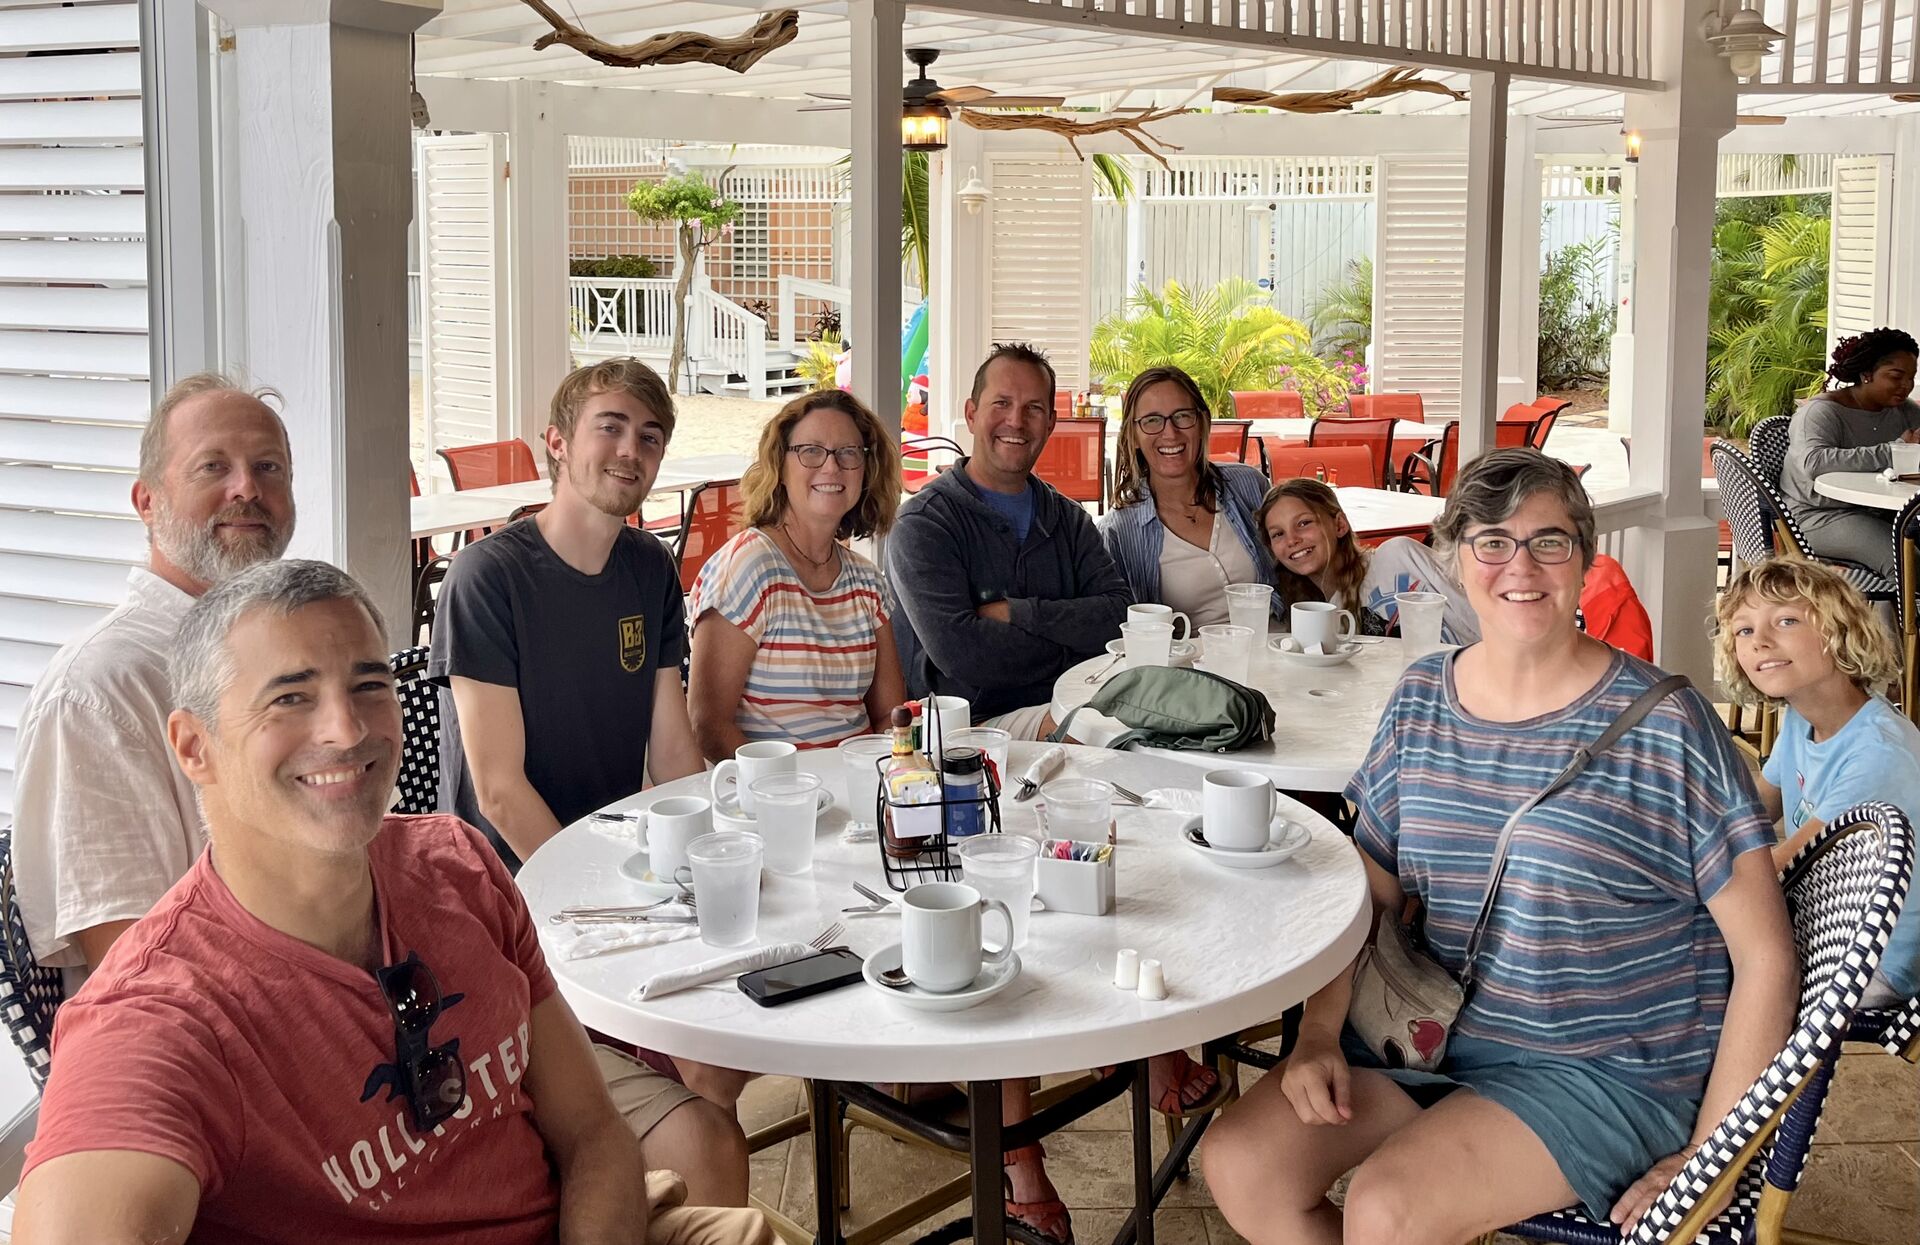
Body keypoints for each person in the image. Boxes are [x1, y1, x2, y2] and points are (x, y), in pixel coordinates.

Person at [13, 561, 772, 1245]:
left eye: (369, 685)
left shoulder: (456, 862)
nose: (346, 729)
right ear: (193, 746)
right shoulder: (161, 1018)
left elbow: (593, 1133)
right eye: (290, 697)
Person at [1203, 448, 1797, 1244]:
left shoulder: (1666, 724)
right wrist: (1315, 1036)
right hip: (1438, 1034)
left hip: (1602, 1065)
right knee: (1242, 1162)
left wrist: (1714, 1155)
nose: (1521, 564)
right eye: (1492, 540)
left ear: (1584, 559)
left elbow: (1765, 955)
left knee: (1388, 1206)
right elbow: (1370, 896)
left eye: (1549, 540)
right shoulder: (1422, 698)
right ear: (1455, 557)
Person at [429, 358, 749, 1199]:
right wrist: (613, 887)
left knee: (736, 1040)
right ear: (557, 443)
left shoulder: (648, 567)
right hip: (517, 907)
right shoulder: (486, 577)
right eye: (609, 426)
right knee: (707, 1133)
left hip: (621, 888)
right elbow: (497, 789)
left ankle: (666, 1189)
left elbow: (674, 754)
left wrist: (717, 852)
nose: (629, 449)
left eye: (649, 436)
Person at [12, 373, 295, 993]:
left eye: (269, 466)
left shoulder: (285, 651)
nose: (247, 488)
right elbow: (135, 968)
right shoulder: (98, 691)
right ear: (147, 502)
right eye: (212, 467)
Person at [888, 342, 1133, 740]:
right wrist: (1075, 650)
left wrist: (1018, 614)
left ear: (1051, 422)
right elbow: (964, 654)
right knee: (1100, 734)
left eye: (1033, 408)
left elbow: (1118, 616)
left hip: (1066, 703)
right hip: (961, 729)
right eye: (1001, 403)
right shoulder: (924, 524)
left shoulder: (1069, 520)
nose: (1016, 421)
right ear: (971, 414)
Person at [1718, 557, 1920, 1007]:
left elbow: (1778, 869)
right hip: (1824, 917)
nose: (1760, 642)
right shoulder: (1803, 718)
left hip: (1868, 959)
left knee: (1688, 961)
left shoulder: (1877, 754)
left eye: (1786, 621)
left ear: (1839, 631)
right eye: (1744, 630)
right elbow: (1750, 811)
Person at [687, 389, 905, 759]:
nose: (831, 467)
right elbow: (708, 727)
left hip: (860, 789)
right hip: (775, 800)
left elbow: (889, 716)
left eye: (848, 452)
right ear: (780, 466)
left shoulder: (868, 583)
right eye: (811, 451)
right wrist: (798, 794)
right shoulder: (749, 567)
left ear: (867, 469)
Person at [1098, 366, 1275, 626]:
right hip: (1191, 663)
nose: (1170, 432)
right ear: (1133, 436)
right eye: (1152, 420)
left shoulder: (1249, 485)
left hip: (1277, 649)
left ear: (1202, 423)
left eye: (1182, 416)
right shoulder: (1118, 532)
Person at [1255, 477, 1479, 643]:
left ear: (1339, 525)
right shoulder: (1328, 615)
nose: (1292, 539)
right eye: (1278, 534)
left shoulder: (1398, 557)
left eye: (1304, 523)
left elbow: (1478, 619)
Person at [1781, 327, 1920, 577]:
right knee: (1906, 562)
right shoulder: (1821, 413)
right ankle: (1897, 617)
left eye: (1911, 377)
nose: (1907, 386)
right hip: (1818, 515)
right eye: (1896, 376)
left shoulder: (1905, 412)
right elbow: (1815, 463)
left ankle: (1892, 611)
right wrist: (1896, 450)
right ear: (1867, 374)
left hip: (1882, 510)